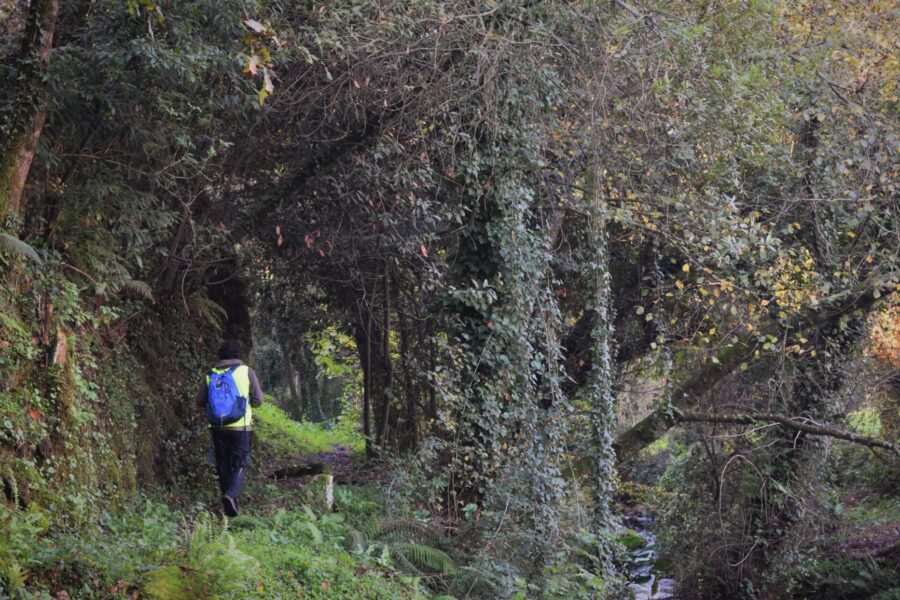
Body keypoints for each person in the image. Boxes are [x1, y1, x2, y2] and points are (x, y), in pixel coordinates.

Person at [195, 338, 264, 517]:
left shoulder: (210, 374)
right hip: (240, 427)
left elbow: (199, 401)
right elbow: (259, 400)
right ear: (239, 354)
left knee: (223, 464)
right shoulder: (246, 372)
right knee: (240, 463)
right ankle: (231, 495)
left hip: (217, 426)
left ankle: (229, 505)